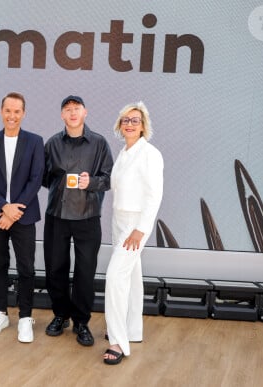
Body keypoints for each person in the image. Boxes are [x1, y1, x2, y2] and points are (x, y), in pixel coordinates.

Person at [43, 95, 113, 347]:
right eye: (67, 109)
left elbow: (109, 178)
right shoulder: (52, 144)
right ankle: (60, 315)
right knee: (55, 267)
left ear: (85, 112)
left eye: (76, 109)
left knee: (85, 271)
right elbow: (43, 178)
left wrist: (90, 182)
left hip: (88, 216)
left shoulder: (99, 143)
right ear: (62, 115)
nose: (72, 113)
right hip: (57, 216)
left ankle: (81, 322)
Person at [0, 92, 44, 343]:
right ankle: (1, 313)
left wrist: (15, 211)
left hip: (24, 215)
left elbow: (36, 179)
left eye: (17, 111)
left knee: (26, 266)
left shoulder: (35, 141)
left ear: (23, 114)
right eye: (8, 110)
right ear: (1, 111)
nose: (12, 115)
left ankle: (26, 317)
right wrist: (4, 207)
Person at [103, 102, 163, 365]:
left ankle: (117, 341)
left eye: (135, 120)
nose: (129, 124)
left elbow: (154, 196)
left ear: (143, 126)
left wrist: (140, 230)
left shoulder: (150, 154)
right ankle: (132, 329)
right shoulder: (124, 152)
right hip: (119, 220)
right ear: (120, 124)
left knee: (115, 277)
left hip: (135, 224)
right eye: (125, 120)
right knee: (132, 277)